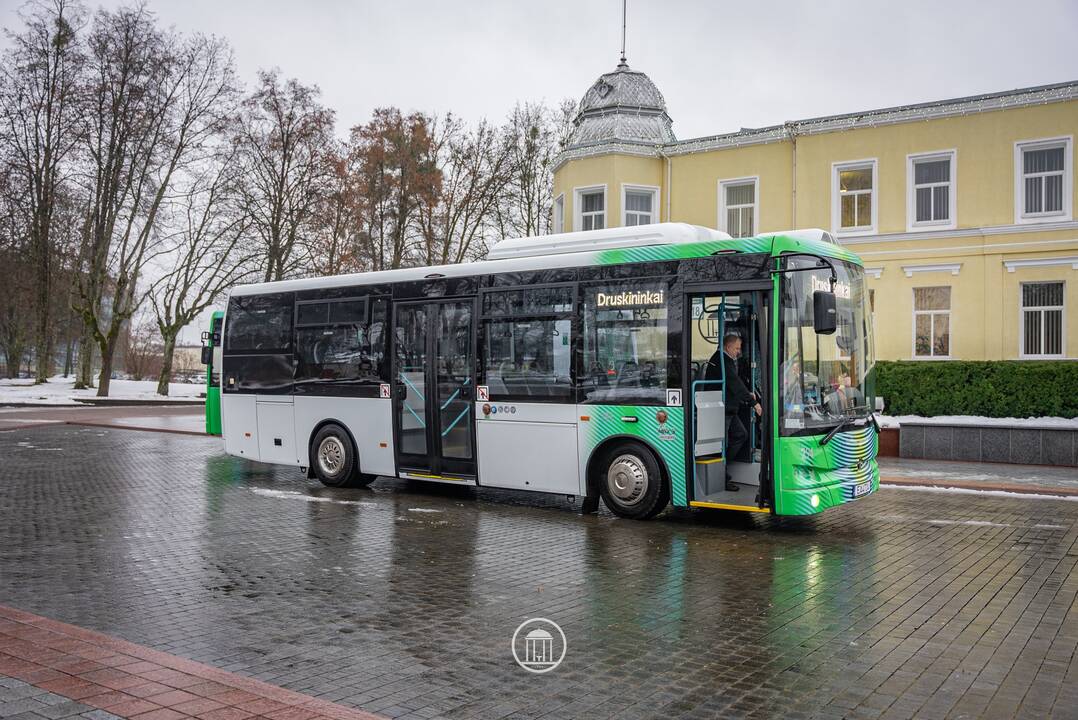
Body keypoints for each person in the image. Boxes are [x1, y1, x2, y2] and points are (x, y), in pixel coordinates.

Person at [704, 333, 762, 491]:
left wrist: (748, 394)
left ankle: (724, 468)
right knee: (721, 445)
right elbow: (734, 383)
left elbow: (735, 382)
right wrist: (753, 403)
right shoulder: (722, 360)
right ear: (728, 347)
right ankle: (722, 477)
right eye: (737, 348)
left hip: (728, 408)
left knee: (740, 435)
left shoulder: (725, 360)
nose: (739, 351)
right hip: (721, 409)